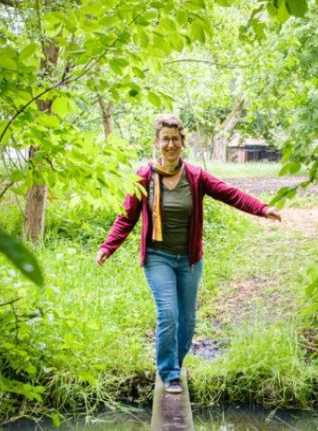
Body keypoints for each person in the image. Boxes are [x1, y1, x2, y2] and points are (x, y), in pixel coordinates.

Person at [97, 114, 282, 394]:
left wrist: (262, 208)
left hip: (189, 259)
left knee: (187, 319)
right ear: (157, 143)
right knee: (168, 313)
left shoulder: (195, 176)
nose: (170, 144)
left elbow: (230, 193)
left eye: (175, 139)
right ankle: (169, 373)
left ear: (182, 142)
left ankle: (176, 362)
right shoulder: (144, 177)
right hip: (158, 257)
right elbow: (126, 218)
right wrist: (107, 247)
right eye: (165, 139)